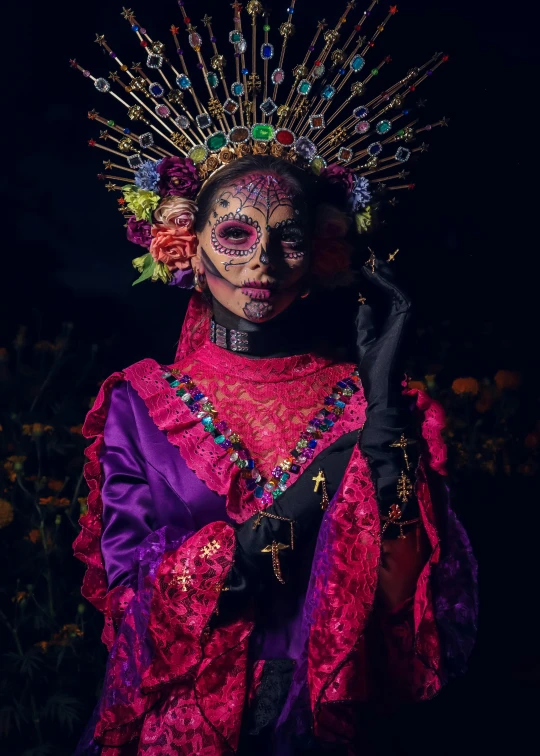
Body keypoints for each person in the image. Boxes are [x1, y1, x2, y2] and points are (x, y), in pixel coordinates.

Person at [71, 5, 477, 754]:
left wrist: (384, 422)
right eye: (234, 232)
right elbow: (134, 608)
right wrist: (324, 480)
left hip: (327, 728)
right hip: (180, 732)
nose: (261, 262)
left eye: (286, 235)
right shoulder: (139, 405)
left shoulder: (376, 408)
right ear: (184, 242)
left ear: (321, 250)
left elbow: (405, 602)